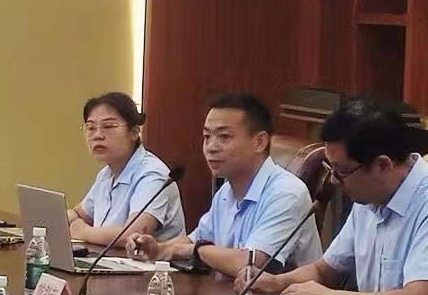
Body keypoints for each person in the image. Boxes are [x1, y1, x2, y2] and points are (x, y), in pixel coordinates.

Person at [245, 99, 428, 295]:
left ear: (382, 165)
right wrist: (274, 282)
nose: (333, 180)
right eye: (330, 168)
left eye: (341, 171)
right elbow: (324, 271)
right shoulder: (369, 197)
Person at [127, 93, 322, 274]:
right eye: (207, 136)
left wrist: (193, 250)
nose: (211, 147)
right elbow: (196, 240)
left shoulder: (286, 193)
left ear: (259, 142)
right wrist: (158, 249)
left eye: (224, 137)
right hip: (228, 294)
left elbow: (249, 265)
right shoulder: (226, 191)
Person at [69, 92, 184, 249]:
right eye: (91, 128)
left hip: (149, 264)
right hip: (109, 260)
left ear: (134, 132)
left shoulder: (152, 174)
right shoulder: (106, 174)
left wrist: (82, 231)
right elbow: (79, 214)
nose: (97, 135)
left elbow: (133, 236)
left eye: (108, 126)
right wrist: (52, 221)